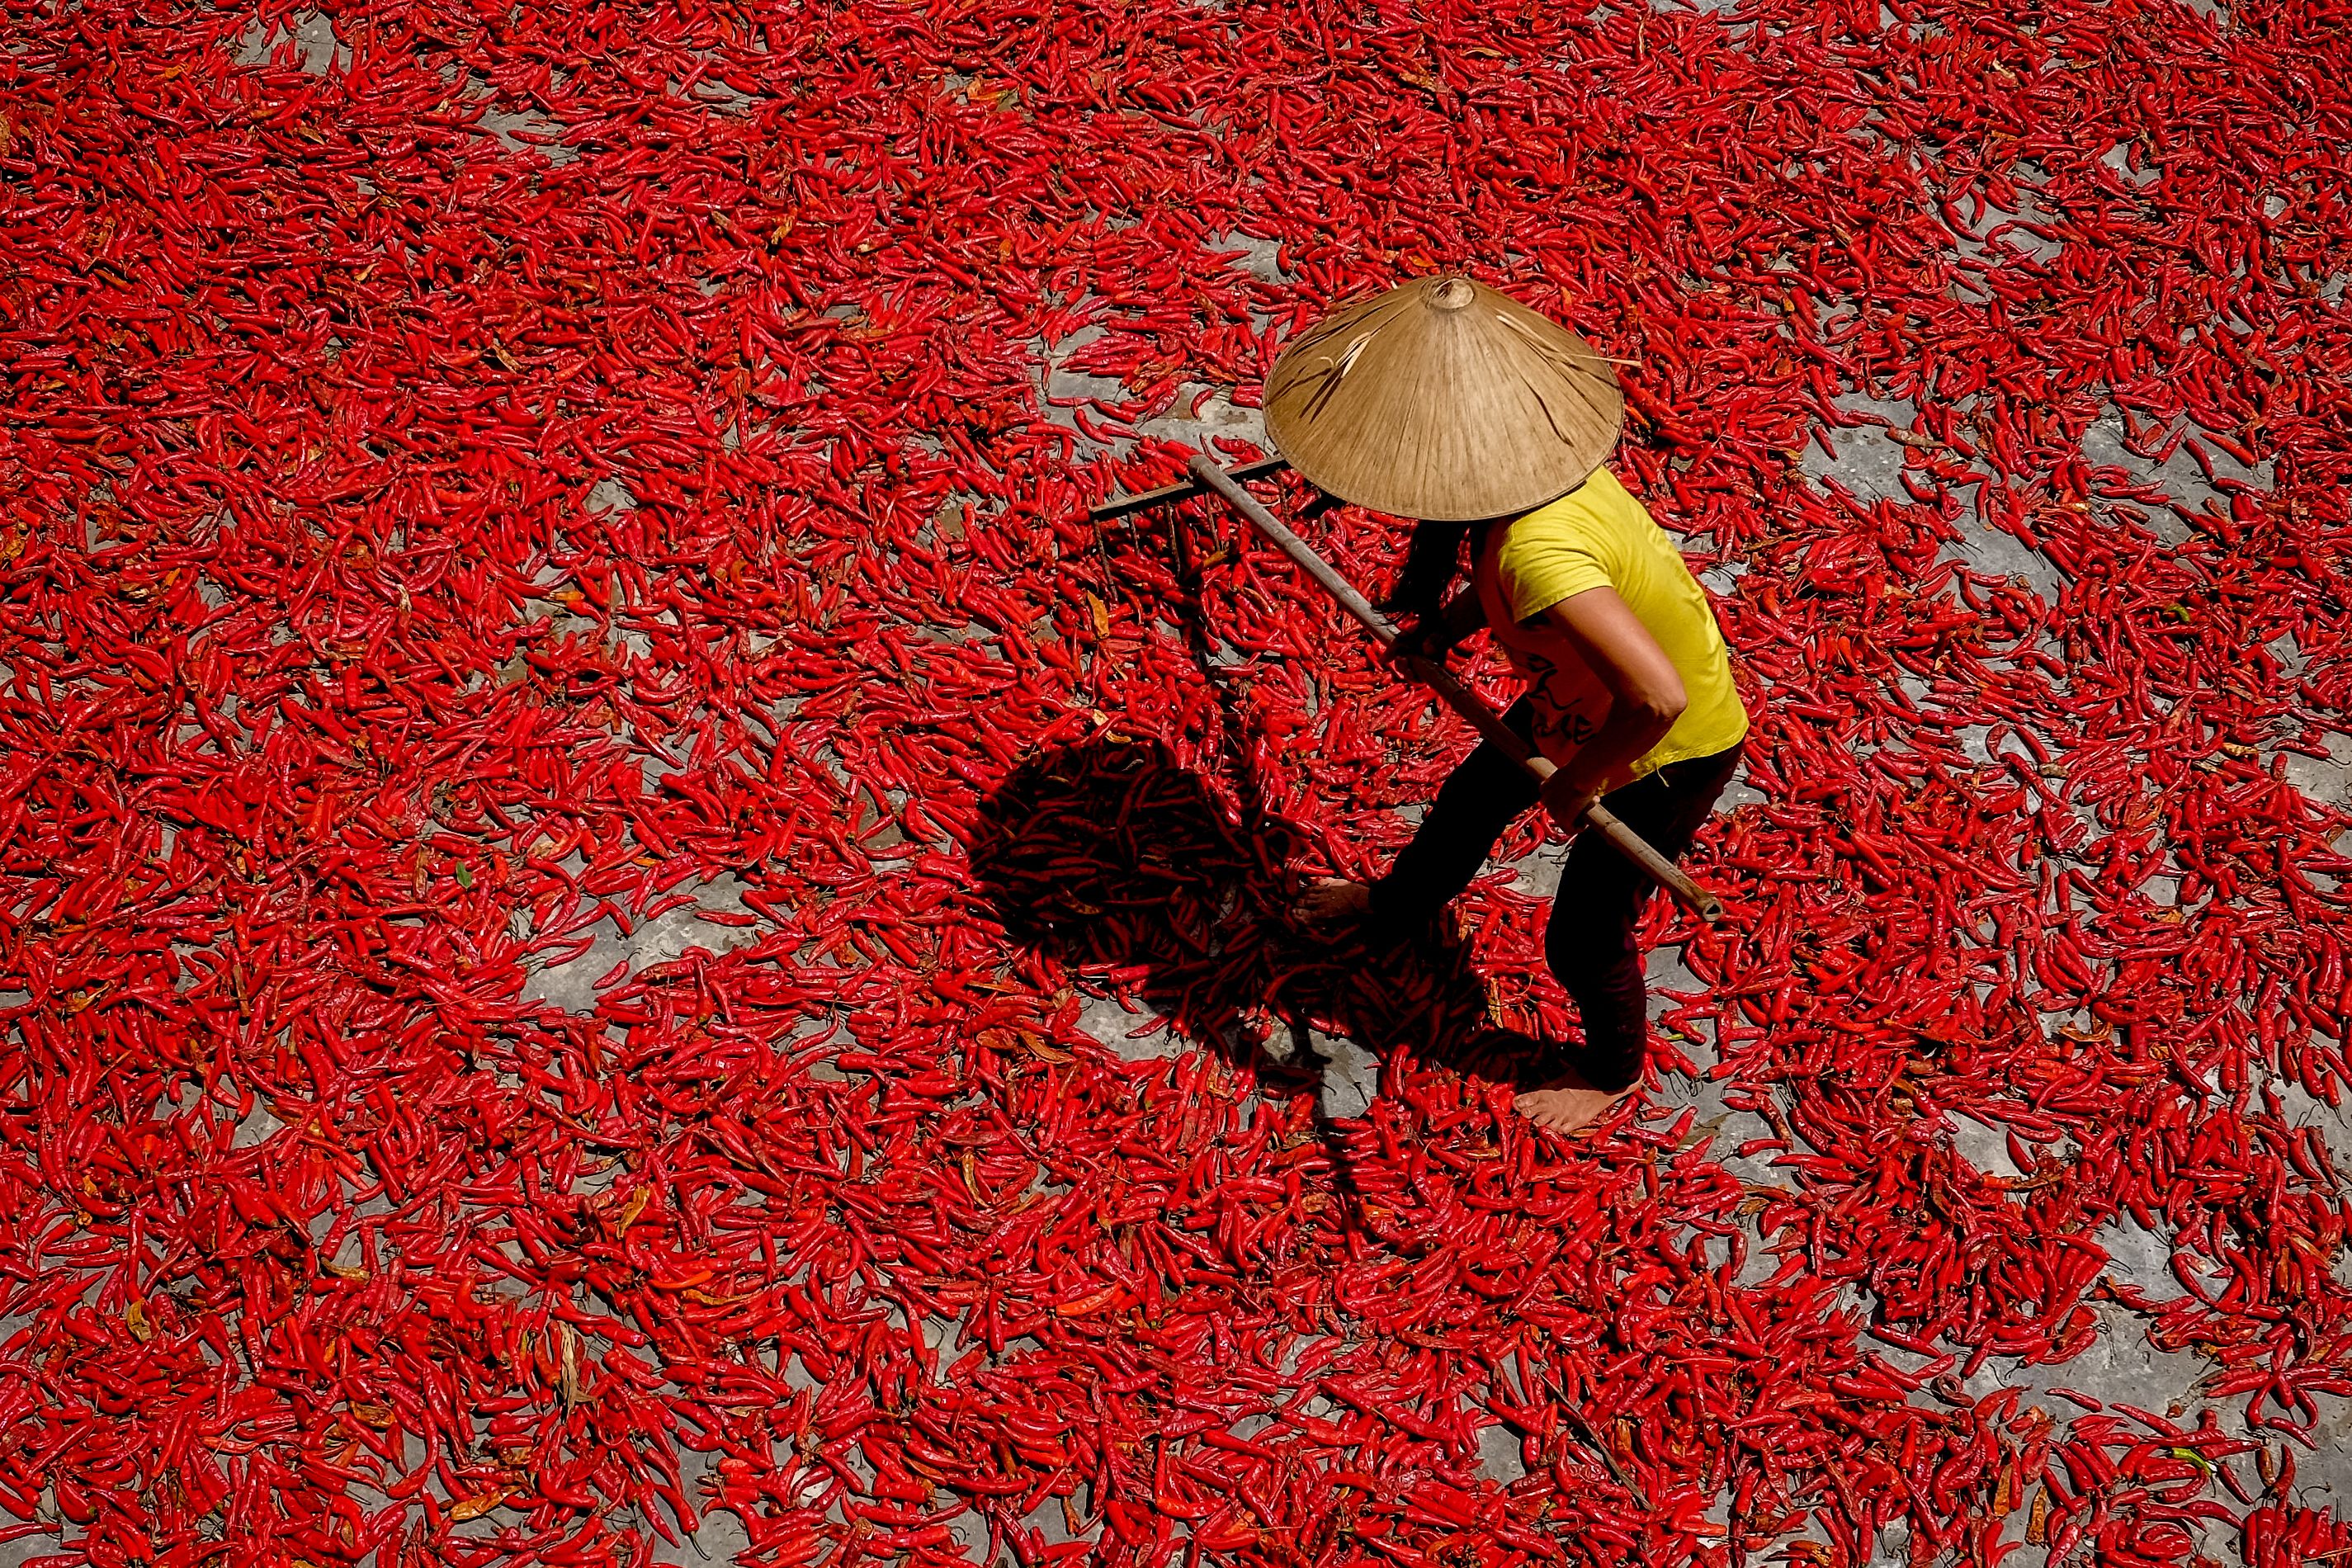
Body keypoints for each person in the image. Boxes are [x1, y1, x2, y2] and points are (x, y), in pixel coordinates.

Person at [1257, 274, 1748, 1136]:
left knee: (1584, 934)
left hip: (1668, 748)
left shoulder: (1541, 552)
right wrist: (1444, 633)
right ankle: (1396, 907)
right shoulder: (1533, 497)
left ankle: (1612, 1070)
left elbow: (1659, 697)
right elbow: (1504, 592)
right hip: (1581, 703)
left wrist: (1584, 782)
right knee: (1468, 806)